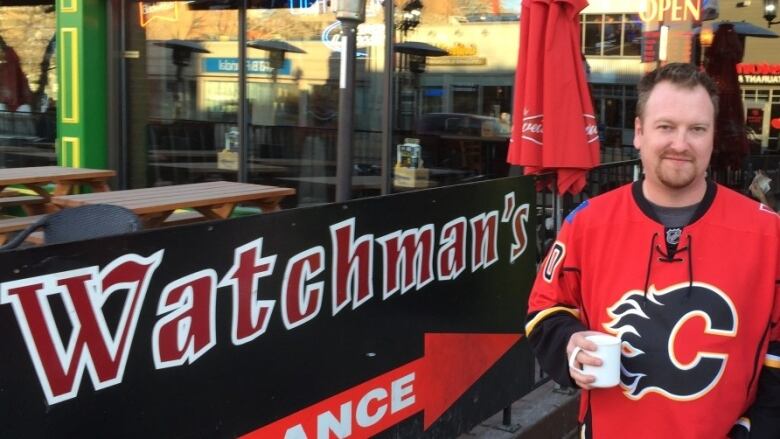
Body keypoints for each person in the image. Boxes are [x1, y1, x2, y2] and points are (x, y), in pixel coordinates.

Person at [525, 63, 779, 439]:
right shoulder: (586, 224)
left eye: (697, 129)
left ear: (713, 139)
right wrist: (570, 344)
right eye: (666, 127)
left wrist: (759, 428)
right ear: (639, 133)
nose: (681, 143)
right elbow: (544, 310)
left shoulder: (768, 233)